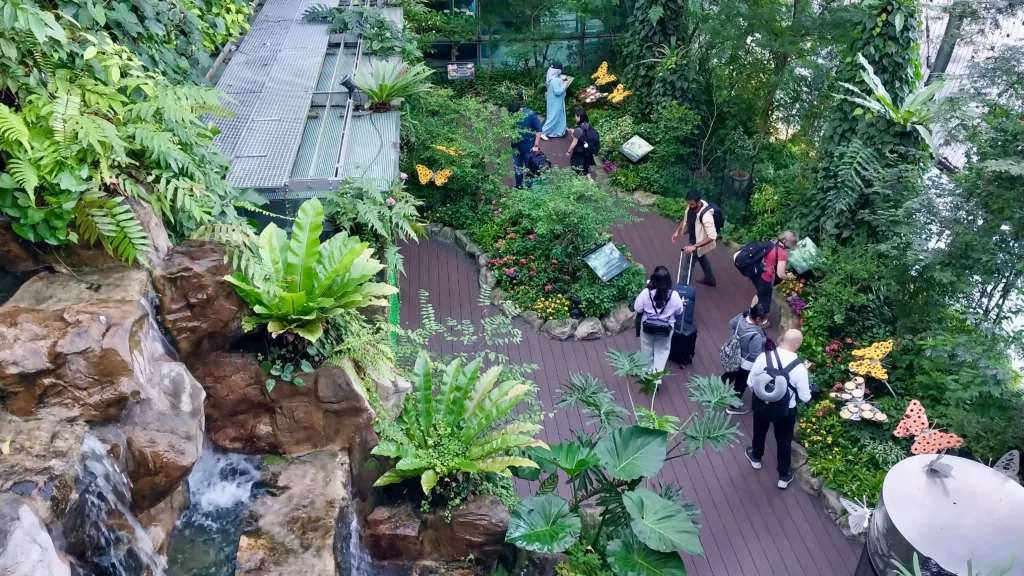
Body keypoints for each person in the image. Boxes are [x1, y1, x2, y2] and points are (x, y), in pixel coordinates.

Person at [744, 329, 811, 489]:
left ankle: (756, 458)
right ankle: (783, 475)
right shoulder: (799, 368)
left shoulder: (763, 357)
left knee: (759, 431)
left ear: (783, 339)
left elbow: (750, 381)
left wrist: (764, 396)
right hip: (786, 411)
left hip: (762, 405)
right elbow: (805, 397)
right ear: (797, 344)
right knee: (784, 441)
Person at [633, 266, 685, 385]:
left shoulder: (646, 293)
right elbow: (679, 312)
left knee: (646, 350)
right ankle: (656, 379)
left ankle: (646, 374)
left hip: (647, 327)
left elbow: (637, 308)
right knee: (662, 351)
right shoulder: (674, 295)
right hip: (666, 328)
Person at [722, 303, 768, 415]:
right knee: (741, 383)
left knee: (730, 373)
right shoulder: (755, 336)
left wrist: (735, 338)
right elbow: (754, 355)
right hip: (746, 362)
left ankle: (716, 388)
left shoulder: (741, 317)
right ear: (757, 318)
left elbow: (731, 324)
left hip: (735, 355)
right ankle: (733, 406)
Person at [670, 190, 718, 287]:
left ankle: (683, 289)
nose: (689, 206)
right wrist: (677, 231)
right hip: (693, 237)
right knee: (701, 257)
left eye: (691, 204)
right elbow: (686, 219)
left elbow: (712, 236)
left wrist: (695, 246)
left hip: (698, 242)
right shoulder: (690, 208)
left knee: (687, 265)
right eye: (688, 204)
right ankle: (710, 279)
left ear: (698, 202)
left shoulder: (706, 215)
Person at [750, 230, 799, 312]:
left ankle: (751, 311)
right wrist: (790, 277)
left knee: (759, 294)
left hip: (758, 272)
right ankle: (759, 319)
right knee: (765, 300)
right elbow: (780, 274)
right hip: (766, 278)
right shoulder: (782, 252)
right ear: (789, 242)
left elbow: (771, 260)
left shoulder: (773, 242)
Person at [508, 100, 542, 189]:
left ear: (520, 109)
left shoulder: (530, 114)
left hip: (529, 147)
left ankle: (529, 186)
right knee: (517, 168)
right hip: (516, 147)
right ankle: (519, 186)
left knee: (530, 167)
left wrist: (536, 146)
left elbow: (538, 130)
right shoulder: (512, 114)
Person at [540, 62, 568, 140]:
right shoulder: (555, 80)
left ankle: (553, 132)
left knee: (555, 117)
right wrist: (565, 84)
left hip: (552, 102)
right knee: (553, 117)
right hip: (556, 102)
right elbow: (558, 92)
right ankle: (543, 132)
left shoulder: (551, 78)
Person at [567, 108, 596, 179]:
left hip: (579, 151)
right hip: (587, 150)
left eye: (576, 116)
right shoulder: (588, 125)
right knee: (585, 165)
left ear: (579, 117)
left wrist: (568, 151)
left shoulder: (579, 129)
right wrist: (574, 132)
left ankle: (577, 180)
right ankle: (590, 180)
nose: (575, 118)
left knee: (575, 165)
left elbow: (574, 143)